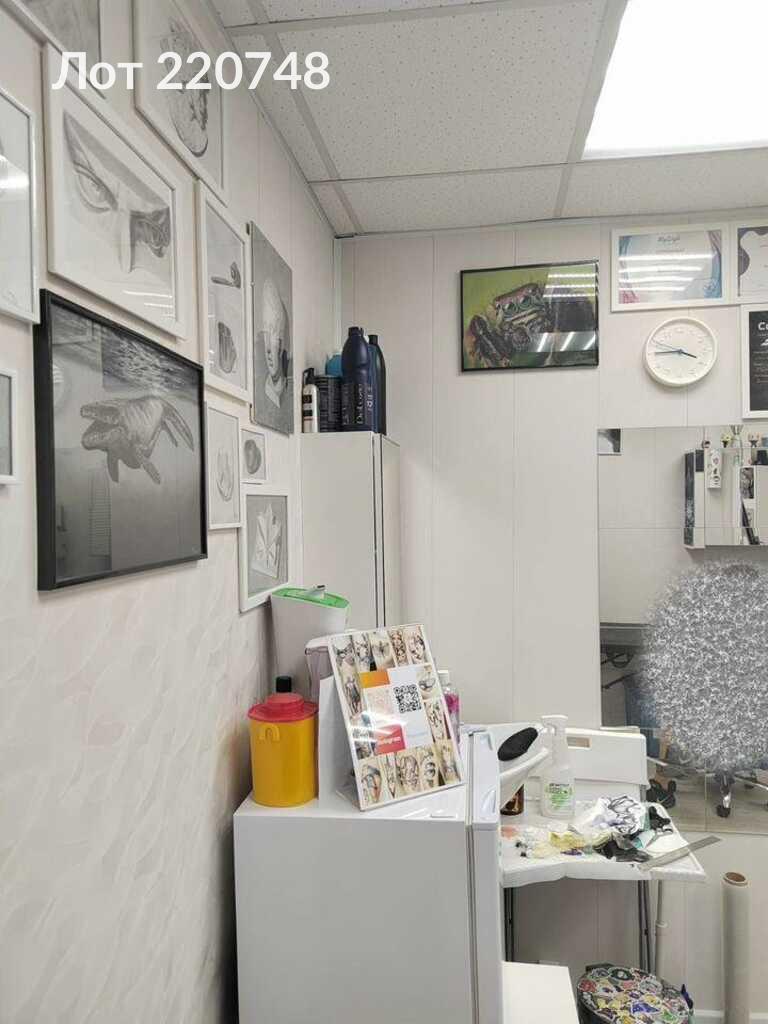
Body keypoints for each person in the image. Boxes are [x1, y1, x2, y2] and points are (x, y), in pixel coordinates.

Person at [261, 277, 289, 410]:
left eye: (273, 336)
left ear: (281, 346)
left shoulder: (290, 389)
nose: (268, 350)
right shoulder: (260, 395)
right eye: (265, 336)